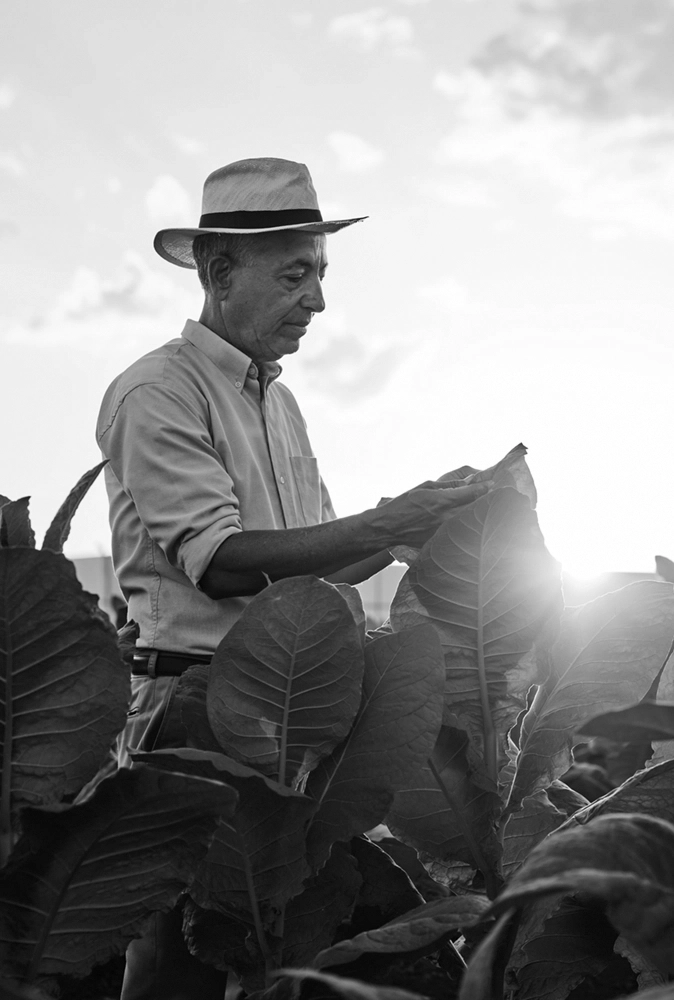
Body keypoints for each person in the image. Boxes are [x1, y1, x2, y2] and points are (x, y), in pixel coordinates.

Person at [97, 157, 490, 1000]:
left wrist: (415, 530)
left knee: (283, 949)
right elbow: (223, 561)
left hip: (291, 708)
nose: (317, 300)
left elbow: (315, 571)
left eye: (319, 274)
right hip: (195, 709)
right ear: (218, 271)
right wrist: (389, 518)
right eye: (295, 274)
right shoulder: (157, 391)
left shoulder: (280, 403)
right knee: (180, 962)